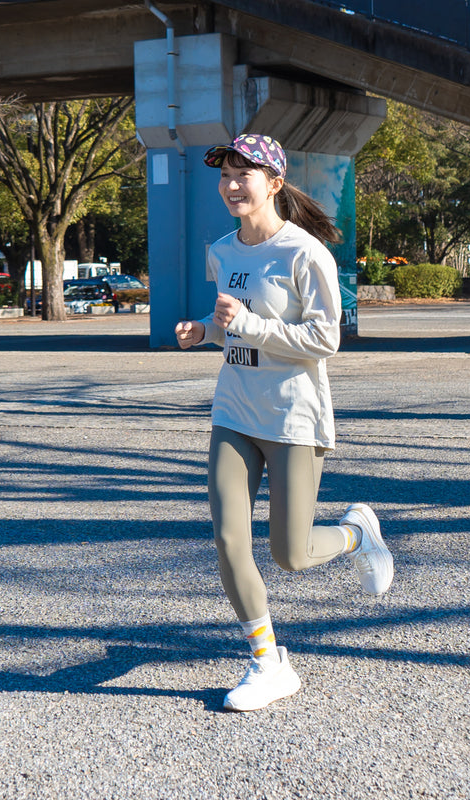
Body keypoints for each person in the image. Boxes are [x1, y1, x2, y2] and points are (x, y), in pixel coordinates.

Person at [175, 133, 394, 712]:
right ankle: (268, 663)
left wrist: (245, 326)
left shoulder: (304, 253)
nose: (229, 185)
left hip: (293, 415)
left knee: (290, 554)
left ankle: (356, 534)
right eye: (223, 176)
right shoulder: (222, 250)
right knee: (227, 538)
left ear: (274, 183)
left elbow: (325, 339)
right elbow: (230, 321)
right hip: (234, 410)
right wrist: (205, 329)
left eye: (242, 175)